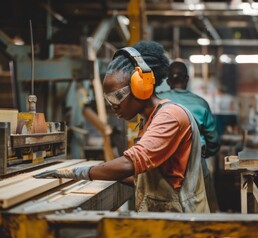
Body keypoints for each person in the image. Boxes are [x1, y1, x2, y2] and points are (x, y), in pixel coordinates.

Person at [35, 41, 210, 213]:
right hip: (167, 220)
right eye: (109, 99)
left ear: (141, 87)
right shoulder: (150, 120)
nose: (114, 105)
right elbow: (146, 175)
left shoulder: (169, 116)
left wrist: (76, 172)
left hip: (185, 223)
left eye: (117, 96)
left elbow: (131, 163)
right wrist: (103, 174)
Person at [157, 61, 220, 212]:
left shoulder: (157, 101)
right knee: (203, 208)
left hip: (162, 165)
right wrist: (203, 154)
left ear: (168, 81)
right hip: (195, 163)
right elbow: (213, 141)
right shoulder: (201, 104)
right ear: (186, 79)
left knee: (164, 209)